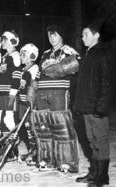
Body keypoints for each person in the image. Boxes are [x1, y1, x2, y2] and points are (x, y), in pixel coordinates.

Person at [36, 25, 80, 171]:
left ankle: (66, 161)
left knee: (61, 126)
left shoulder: (69, 51)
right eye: (49, 35)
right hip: (42, 93)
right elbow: (38, 75)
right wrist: (32, 94)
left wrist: (50, 69)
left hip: (59, 92)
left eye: (54, 34)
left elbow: (69, 68)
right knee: (44, 126)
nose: (51, 38)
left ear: (61, 35)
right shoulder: (45, 53)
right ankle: (47, 158)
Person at [74, 23, 110, 186]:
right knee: (90, 140)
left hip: (97, 107)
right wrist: (78, 105)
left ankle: (102, 176)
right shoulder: (87, 55)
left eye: (86, 34)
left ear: (96, 36)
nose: (83, 38)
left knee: (100, 140)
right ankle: (95, 172)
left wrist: (101, 107)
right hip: (86, 106)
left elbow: (107, 83)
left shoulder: (103, 55)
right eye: (82, 35)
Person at [17, 43, 40, 164]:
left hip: (29, 103)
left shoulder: (34, 69)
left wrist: (31, 101)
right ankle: (31, 148)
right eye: (20, 54)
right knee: (24, 126)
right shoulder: (23, 69)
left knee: (31, 126)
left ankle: (36, 151)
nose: (21, 56)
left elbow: (34, 86)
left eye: (23, 54)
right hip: (21, 101)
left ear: (31, 55)